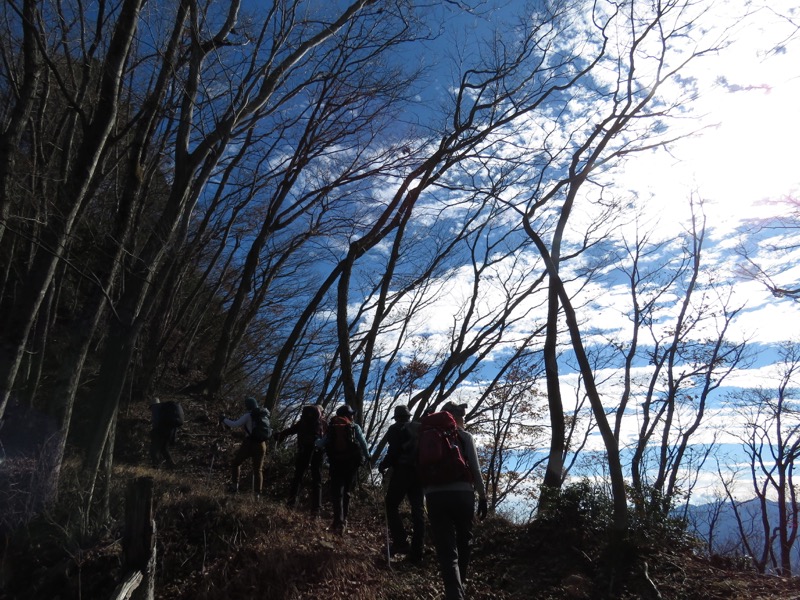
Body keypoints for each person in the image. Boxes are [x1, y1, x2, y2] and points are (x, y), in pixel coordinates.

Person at [422, 401, 488, 600]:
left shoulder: (427, 436)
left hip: (434, 496)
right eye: (463, 415)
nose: (464, 418)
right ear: (456, 417)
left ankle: (454, 593)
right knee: (463, 541)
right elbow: (475, 469)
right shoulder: (464, 436)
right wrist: (483, 496)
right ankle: (461, 584)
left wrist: (427, 493)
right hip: (462, 494)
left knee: (446, 549)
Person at [375, 404, 425, 563]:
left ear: (396, 417)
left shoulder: (394, 429)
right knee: (418, 511)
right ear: (409, 416)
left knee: (390, 505)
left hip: (402, 472)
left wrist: (383, 465)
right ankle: (418, 551)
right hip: (420, 474)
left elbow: (393, 451)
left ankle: (401, 542)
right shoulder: (420, 428)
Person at [316, 404, 370, 534]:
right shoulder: (354, 427)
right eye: (351, 414)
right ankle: (344, 520)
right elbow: (363, 443)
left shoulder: (332, 428)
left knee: (337, 492)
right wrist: (367, 457)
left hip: (336, 463)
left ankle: (337, 521)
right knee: (347, 492)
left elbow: (320, 444)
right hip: (351, 463)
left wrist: (316, 440)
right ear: (349, 415)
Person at [274, 404, 327, 513]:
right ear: (321, 413)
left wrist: (280, 435)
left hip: (304, 450)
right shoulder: (324, 424)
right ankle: (316, 510)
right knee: (317, 480)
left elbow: (291, 430)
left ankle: (291, 504)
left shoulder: (303, 422)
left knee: (298, 477)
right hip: (317, 453)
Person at [219, 397, 271, 496]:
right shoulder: (265, 415)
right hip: (262, 445)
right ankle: (257, 495)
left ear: (248, 405)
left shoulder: (249, 415)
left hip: (249, 443)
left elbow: (235, 424)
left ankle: (234, 487)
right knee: (258, 470)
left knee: (236, 463)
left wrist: (223, 419)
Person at [149, 396, 182, 469]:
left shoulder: (155, 408)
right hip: (169, 432)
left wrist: (153, 431)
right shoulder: (165, 409)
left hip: (161, 432)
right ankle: (172, 464)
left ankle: (156, 466)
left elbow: (156, 422)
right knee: (164, 449)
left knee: (153, 449)